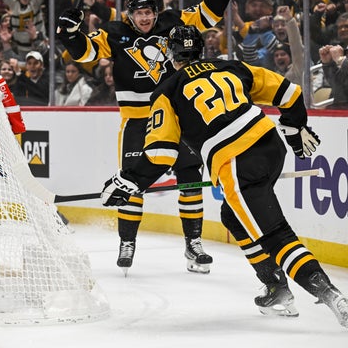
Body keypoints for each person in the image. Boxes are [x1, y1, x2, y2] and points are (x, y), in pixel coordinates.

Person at [99, 24, 348, 328]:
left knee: (275, 234)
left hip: (236, 163)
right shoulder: (230, 65)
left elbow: (163, 154)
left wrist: (128, 181)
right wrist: (295, 129)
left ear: (171, 55)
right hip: (270, 146)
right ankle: (276, 288)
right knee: (232, 216)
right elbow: (289, 92)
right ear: (200, 50)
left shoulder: (167, 90)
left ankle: (332, 295)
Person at [57, 0, 235, 275]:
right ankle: (127, 242)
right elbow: (86, 53)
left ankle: (193, 242)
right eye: (140, 13)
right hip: (138, 120)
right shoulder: (114, 32)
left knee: (190, 176)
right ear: (130, 14)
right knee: (131, 182)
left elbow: (207, 13)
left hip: (177, 115)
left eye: (149, 12)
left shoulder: (172, 21)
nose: (146, 17)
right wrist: (69, 33)